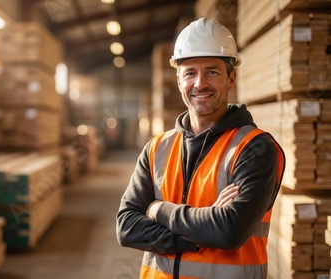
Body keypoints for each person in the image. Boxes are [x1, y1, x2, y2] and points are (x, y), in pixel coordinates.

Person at [116, 18, 285, 279]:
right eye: (190, 73)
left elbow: (228, 231)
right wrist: (198, 233)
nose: (200, 84)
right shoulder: (157, 148)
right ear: (178, 79)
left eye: (212, 72)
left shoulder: (254, 148)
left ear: (232, 78)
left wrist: (157, 210)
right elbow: (126, 227)